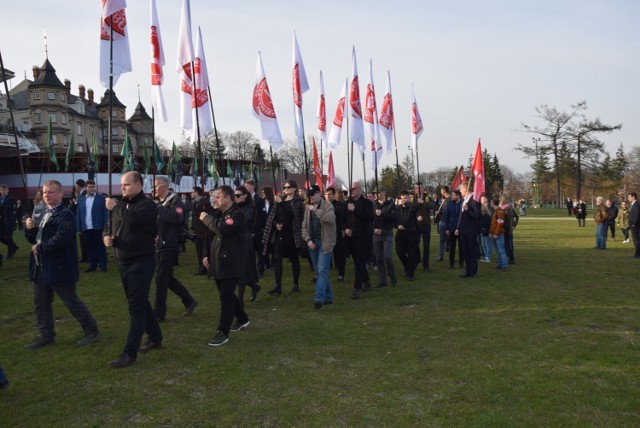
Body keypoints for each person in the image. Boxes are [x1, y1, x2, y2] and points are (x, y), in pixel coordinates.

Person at [24, 180, 100, 349]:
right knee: (41, 303)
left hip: (59, 266)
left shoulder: (65, 215)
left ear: (60, 194)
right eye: (44, 192)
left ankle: (91, 330)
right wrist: (29, 228)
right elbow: (34, 239)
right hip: (41, 267)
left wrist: (41, 248)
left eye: (51, 192)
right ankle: (46, 335)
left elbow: (62, 238)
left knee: (71, 301)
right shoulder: (43, 213)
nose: (47, 195)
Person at [104, 171, 162, 368]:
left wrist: (116, 206)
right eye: (121, 185)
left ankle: (129, 352)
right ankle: (155, 336)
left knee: (135, 308)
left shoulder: (147, 206)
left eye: (126, 185)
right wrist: (106, 235)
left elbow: (132, 219)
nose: (122, 188)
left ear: (138, 185)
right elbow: (111, 223)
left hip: (141, 261)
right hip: (123, 260)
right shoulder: (122, 205)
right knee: (139, 301)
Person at [200, 185, 250, 347]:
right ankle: (242, 318)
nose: (215, 200)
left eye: (219, 197)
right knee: (225, 292)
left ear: (228, 198)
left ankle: (223, 331)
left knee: (226, 296)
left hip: (231, 261)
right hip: (217, 261)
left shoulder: (237, 215)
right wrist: (206, 254)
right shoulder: (219, 214)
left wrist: (206, 218)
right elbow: (209, 235)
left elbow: (221, 228)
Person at [153, 176, 198, 321]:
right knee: (167, 278)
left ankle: (159, 314)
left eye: (156, 186)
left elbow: (177, 219)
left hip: (170, 245)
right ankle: (189, 300)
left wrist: (160, 209)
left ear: (164, 187)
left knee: (160, 279)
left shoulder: (175, 201)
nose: (153, 189)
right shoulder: (160, 203)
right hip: (160, 245)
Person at [263, 180, 305, 295]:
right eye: (285, 187)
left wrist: (281, 203)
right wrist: (276, 224)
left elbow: (292, 215)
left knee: (294, 259)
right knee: (277, 258)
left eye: (289, 187)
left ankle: (296, 284)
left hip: (293, 234)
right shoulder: (279, 201)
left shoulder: (298, 202)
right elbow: (273, 217)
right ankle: (278, 285)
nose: (287, 189)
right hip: (280, 234)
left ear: (295, 188)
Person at [302, 185, 336, 309]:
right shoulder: (307, 209)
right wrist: (308, 240)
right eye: (309, 195)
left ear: (319, 193)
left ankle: (319, 298)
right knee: (320, 271)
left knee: (322, 271)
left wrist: (315, 210)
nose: (311, 197)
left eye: (313, 194)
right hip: (313, 243)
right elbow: (304, 227)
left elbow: (330, 219)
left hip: (325, 242)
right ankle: (328, 297)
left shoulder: (328, 206)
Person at [345, 181, 373, 299]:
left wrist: (354, 210)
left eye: (354, 189)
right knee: (357, 261)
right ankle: (366, 281)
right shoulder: (348, 203)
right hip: (351, 237)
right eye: (350, 189)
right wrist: (346, 228)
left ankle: (357, 288)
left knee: (360, 262)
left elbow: (369, 217)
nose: (352, 191)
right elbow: (343, 218)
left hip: (363, 237)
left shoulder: (367, 203)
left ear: (360, 189)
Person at [234, 185, 261, 302]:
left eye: (238, 195)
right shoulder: (236, 207)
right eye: (234, 195)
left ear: (245, 195)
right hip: (236, 239)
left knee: (244, 269)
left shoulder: (250, 207)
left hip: (246, 239)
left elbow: (247, 220)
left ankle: (240, 300)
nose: (236, 198)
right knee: (239, 268)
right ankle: (254, 287)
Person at [75, 179, 109, 272]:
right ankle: (92, 265)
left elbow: (105, 213)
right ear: (86, 188)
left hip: (98, 227)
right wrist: (79, 227)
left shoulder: (101, 199)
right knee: (89, 247)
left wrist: (106, 226)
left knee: (100, 247)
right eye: (90, 187)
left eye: (93, 187)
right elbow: (79, 214)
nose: (92, 189)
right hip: (86, 227)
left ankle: (103, 265)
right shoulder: (81, 200)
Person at [372, 190, 397, 287]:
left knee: (387, 256)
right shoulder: (374, 204)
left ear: (383, 193)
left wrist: (382, 214)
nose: (376, 195)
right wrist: (374, 229)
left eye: (378, 193)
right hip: (376, 234)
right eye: (375, 193)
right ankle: (382, 280)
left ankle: (392, 274)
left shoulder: (390, 204)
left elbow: (394, 217)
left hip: (387, 233)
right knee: (378, 258)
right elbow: (370, 219)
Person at [395, 190, 420, 281]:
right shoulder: (397, 208)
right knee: (400, 252)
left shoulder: (412, 207)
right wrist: (398, 225)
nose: (403, 200)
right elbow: (394, 220)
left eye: (405, 198)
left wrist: (408, 203)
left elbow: (416, 208)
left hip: (411, 233)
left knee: (412, 254)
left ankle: (411, 274)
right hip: (401, 234)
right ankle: (407, 266)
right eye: (402, 198)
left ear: (409, 198)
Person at [458, 183, 481, 278]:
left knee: (472, 251)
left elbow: (477, 215)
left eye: (461, 189)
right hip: (463, 230)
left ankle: (473, 272)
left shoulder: (474, 200)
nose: (460, 191)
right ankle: (467, 271)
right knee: (465, 251)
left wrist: (467, 209)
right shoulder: (464, 200)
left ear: (466, 189)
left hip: (471, 230)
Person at [245, 179, 267, 277]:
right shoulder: (245, 199)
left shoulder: (259, 199)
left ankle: (260, 269)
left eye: (247, 186)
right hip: (248, 229)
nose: (246, 188)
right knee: (250, 250)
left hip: (258, 228)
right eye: (245, 186)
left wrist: (262, 227)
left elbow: (263, 214)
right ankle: (251, 269)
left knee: (259, 250)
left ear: (253, 186)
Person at [325, 187, 347, 282]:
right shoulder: (322, 205)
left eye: (329, 194)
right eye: (326, 194)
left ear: (334, 195)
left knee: (339, 254)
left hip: (336, 232)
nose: (327, 196)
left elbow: (340, 215)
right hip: (326, 233)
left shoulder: (339, 205)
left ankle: (341, 274)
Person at [190, 186, 212, 275]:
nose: (191, 193)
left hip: (204, 229)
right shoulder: (194, 203)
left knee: (205, 249)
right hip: (197, 230)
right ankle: (201, 268)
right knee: (199, 249)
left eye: (192, 192)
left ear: (196, 193)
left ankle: (207, 268)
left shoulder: (205, 203)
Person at [443, 190, 463, 270]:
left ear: (458, 196)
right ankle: (451, 263)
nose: (452, 196)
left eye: (454, 195)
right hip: (451, 228)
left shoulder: (463, 204)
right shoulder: (450, 205)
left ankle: (461, 263)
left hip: (461, 229)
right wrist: (447, 228)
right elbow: (446, 217)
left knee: (462, 247)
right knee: (452, 247)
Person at [0, 184, 19, 262]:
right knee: (1, 237)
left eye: (4, 190)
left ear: (8, 190)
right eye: (1, 190)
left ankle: (10, 253)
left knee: (8, 237)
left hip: (9, 220)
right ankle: (14, 247)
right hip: (2, 221)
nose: (3, 191)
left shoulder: (11, 199)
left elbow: (6, 209)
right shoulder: (0, 198)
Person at [489, 198, 508, 271]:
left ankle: (504, 265)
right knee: (497, 250)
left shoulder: (499, 212)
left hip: (498, 234)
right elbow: (493, 224)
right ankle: (500, 264)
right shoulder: (495, 211)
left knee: (501, 250)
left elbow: (500, 224)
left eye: (491, 202)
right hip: (494, 234)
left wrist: (496, 233)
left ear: (493, 203)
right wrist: (491, 233)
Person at [499, 196, 519, 264]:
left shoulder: (507, 208)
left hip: (507, 229)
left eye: (500, 200)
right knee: (507, 244)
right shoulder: (505, 208)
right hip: (507, 229)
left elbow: (515, 217)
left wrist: (514, 225)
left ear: (503, 201)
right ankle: (509, 257)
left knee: (509, 244)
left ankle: (511, 258)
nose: (499, 201)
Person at [260, 186, 275, 272]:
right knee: (263, 246)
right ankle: (266, 263)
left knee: (272, 246)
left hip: (272, 227)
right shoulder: (261, 203)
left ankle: (273, 263)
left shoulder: (273, 202)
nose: (262, 194)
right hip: (263, 227)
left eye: (263, 192)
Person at [434, 186, 451, 262]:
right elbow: (443, 210)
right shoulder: (444, 200)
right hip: (442, 221)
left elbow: (449, 211)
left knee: (450, 240)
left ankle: (451, 256)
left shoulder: (450, 199)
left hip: (447, 222)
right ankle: (441, 255)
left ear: (444, 191)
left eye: (441, 190)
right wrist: (439, 212)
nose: (440, 192)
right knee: (441, 239)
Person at [74, 179, 88, 263]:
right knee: (82, 240)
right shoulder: (81, 194)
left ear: (78, 185)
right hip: (80, 219)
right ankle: (84, 256)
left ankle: (86, 256)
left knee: (84, 240)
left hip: (83, 220)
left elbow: (81, 206)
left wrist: (76, 202)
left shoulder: (85, 194)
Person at [627, 192, 640, 258]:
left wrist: (634, 224)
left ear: (633, 197)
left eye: (629, 197)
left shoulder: (636, 205)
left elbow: (637, 215)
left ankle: (637, 254)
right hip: (633, 224)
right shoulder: (633, 204)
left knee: (636, 239)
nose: (628, 198)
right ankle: (637, 253)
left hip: (635, 225)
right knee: (635, 239)